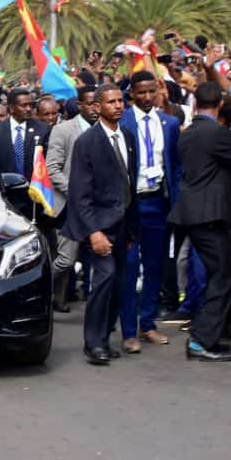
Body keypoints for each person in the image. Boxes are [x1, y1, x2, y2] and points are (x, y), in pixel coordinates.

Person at [167, 82, 231, 362]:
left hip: (194, 215)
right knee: (222, 277)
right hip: (208, 216)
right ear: (220, 105)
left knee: (217, 276)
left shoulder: (187, 134)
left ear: (196, 104)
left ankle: (207, 334)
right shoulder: (217, 133)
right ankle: (201, 341)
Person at [64, 85, 137, 366]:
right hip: (100, 225)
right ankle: (93, 343)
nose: (118, 106)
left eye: (120, 101)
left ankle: (105, 336)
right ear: (98, 106)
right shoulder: (88, 142)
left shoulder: (128, 137)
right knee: (104, 278)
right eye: (111, 102)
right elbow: (80, 193)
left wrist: (131, 229)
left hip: (124, 225)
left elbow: (129, 182)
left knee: (119, 283)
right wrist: (94, 232)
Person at [118, 71, 182, 353]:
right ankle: (128, 331)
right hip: (131, 207)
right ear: (131, 93)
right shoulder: (122, 122)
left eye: (150, 92)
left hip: (159, 203)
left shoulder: (169, 124)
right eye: (140, 92)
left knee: (155, 266)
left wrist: (176, 203)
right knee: (130, 268)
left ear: (157, 91)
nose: (145, 97)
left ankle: (149, 324)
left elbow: (176, 166)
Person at [47, 86, 98, 309]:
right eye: (90, 104)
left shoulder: (107, 129)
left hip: (100, 207)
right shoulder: (64, 130)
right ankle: (38, 288)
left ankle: (100, 308)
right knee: (66, 260)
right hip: (71, 206)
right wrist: (76, 192)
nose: (95, 109)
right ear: (80, 105)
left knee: (102, 259)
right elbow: (53, 168)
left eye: (98, 103)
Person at [0, 88, 51, 216]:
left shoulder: (42, 130)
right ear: (11, 108)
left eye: (31, 105)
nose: (29, 109)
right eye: (24, 105)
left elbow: (47, 161)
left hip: (34, 198)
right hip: (5, 198)